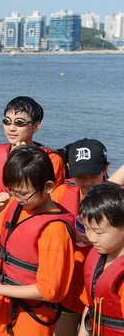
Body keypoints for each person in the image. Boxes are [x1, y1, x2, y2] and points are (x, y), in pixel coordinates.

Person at [0, 145, 75, 336]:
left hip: (32, 317)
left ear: (48, 187)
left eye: (23, 192)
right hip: (2, 307)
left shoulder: (55, 229)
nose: (17, 197)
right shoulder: (16, 203)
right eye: (13, 191)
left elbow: (50, 291)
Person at [50, 138, 109, 336]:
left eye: (92, 174)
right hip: (68, 285)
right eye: (79, 175)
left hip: (99, 287)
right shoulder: (60, 194)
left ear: (105, 168)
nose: (86, 182)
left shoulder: (117, 199)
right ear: (69, 169)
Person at [78, 182, 124, 336]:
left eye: (99, 232)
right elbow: (90, 306)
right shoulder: (97, 257)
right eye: (87, 228)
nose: (92, 238)